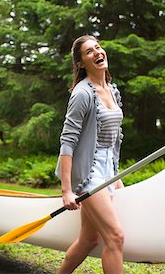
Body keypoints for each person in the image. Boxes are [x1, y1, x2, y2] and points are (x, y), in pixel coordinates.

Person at [55, 35, 125, 273]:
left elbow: (113, 138)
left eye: (98, 47)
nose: (97, 52)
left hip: (107, 171)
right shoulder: (82, 94)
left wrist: (116, 174)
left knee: (89, 239)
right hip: (88, 173)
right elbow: (67, 142)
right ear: (81, 63)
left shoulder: (112, 90)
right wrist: (67, 190)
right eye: (89, 52)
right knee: (115, 237)